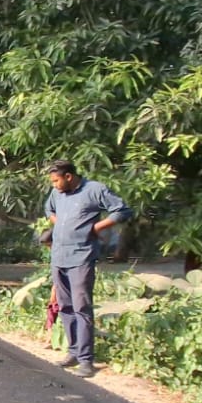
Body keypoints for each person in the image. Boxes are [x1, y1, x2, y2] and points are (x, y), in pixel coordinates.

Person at [42, 159, 133, 378]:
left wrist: (95, 228)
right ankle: (73, 351)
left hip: (81, 257)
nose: (54, 185)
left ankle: (86, 359)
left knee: (82, 307)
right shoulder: (58, 194)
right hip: (59, 256)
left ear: (69, 177)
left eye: (56, 181)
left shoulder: (94, 190)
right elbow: (49, 209)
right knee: (64, 306)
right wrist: (60, 224)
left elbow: (122, 210)